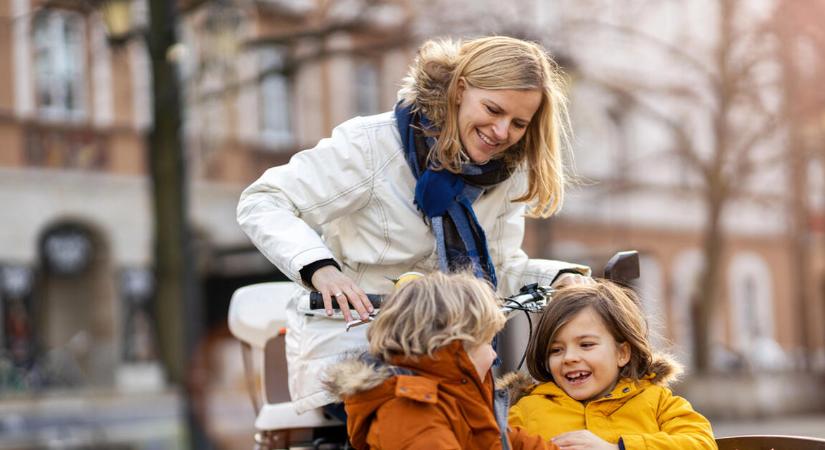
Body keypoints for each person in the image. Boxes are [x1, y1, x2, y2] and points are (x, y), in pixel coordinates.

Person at [236, 35, 590, 415]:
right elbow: (264, 200)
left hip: (456, 356)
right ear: (459, 91)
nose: (502, 133)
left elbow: (497, 271)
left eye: (519, 123)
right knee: (423, 416)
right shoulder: (372, 145)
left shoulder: (505, 173)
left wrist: (560, 279)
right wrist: (320, 269)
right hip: (362, 351)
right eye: (493, 109)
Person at [324, 271, 559, 449]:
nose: (494, 354)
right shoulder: (412, 412)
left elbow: (497, 440)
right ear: (456, 345)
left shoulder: (455, 396)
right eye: (487, 342)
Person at [506, 281, 718, 450]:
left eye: (586, 345)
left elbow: (701, 443)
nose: (569, 357)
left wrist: (617, 448)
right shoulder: (527, 410)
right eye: (556, 350)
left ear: (622, 353)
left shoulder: (657, 402)